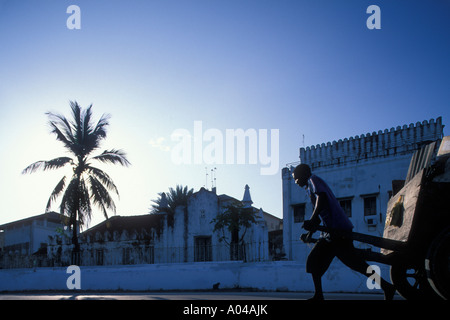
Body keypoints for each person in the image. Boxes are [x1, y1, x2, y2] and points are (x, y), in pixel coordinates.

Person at [292, 164, 396, 300]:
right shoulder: (310, 188)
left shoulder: (313, 180)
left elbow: (321, 199)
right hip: (331, 233)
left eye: (297, 178)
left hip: (338, 231)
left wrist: (311, 221)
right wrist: (309, 234)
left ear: (304, 173)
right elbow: (318, 217)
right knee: (318, 262)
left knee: (354, 263)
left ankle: (386, 286)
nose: (296, 182)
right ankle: (319, 295)